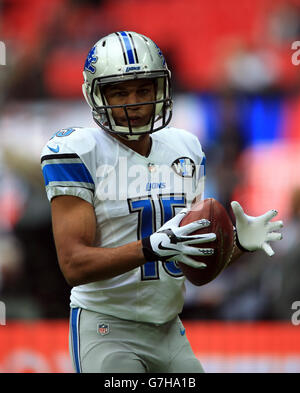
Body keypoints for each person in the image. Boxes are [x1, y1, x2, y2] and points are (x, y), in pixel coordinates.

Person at [40, 31, 283, 373]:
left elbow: (189, 261)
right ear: (94, 94)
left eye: (144, 89)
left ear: (162, 88)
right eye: (119, 91)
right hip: (107, 330)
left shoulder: (184, 147)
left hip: (169, 329)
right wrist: (150, 247)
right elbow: (74, 266)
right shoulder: (79, 151)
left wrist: (236, 246)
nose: (134, 102)